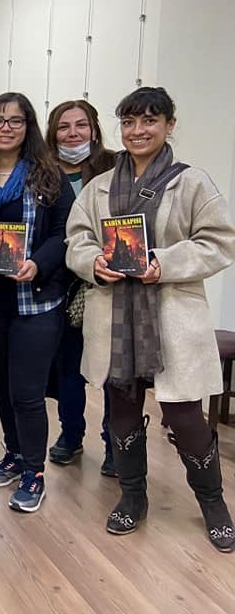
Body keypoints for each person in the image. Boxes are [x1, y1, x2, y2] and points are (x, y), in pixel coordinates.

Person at [66, 86, 235, 551]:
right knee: (121, 411)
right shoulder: (100, 186)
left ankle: (213, 501)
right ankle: (132, 496)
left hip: (172, 316)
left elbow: (219, 242)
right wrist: (92, 262)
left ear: (169, 125)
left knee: (185, 416)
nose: (137, 131)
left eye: (149, 121)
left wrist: (164, 263)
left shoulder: (192, 183)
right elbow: (77, 239)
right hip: (114, 318)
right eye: (129, 122)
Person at [0, 92, 75, 513]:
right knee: (2, 385)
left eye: (15, 121)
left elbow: (65, 233)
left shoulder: (49, 177)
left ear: (28, 127)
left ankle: (34, 472)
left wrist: (38, 263)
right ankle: (14, 454)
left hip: (37, 302)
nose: (6, 128)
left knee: (28, 393)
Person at [44, 99, 118, 475]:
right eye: (64, 127)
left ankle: (115, 442)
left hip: (108, 284)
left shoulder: (115, 168)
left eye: (81, 126)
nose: (73, 134)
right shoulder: (42, 172)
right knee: (69, 366)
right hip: (61, 285)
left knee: (111, 370)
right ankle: (71, 434)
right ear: (52, 133)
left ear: (94, 130)